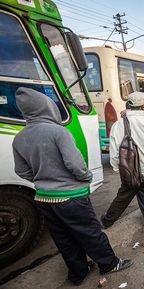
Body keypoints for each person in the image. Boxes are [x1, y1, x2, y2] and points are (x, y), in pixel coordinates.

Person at [12, 87, 132, 286]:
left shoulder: (20, 137)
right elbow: (75, 164)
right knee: (90, 232)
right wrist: (86, 176)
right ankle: (109, 264)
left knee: (63, 238)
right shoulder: (59, 131)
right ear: (47, 107)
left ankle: (78, 272)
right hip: (70, 195)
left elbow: (21, 171)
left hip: (43, 197)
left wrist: (41, 179)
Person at [105, 91, 144, 248]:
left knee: (121, 199)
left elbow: (114, 154)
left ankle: (107, 221)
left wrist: (119, 170)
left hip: (130, 174)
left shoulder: (118, 125)